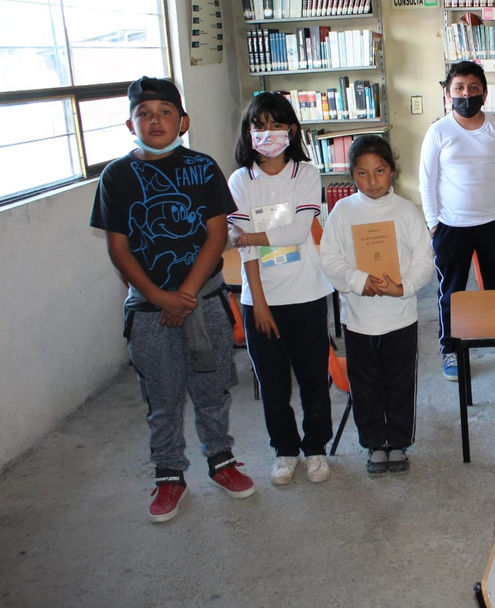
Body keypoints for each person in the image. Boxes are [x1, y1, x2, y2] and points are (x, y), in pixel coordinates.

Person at [89, 76, 255, 522]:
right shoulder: (116, 176)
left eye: (165, 112)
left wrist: (184, 295)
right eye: (144, 114)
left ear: (183, 121)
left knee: (212, 389)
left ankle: (221, 461)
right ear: (130, 125)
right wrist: (161, 298)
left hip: (204, 301)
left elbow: (217, 235)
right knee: (162, 397)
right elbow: (118, 249)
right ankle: (169, 476)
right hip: (149, 310)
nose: (155, 121)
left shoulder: (203, 167)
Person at [226, 92, 334, 486]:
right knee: (273, 384)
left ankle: (316, 448)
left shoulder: (305, 173)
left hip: (307, 293)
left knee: (313, 379)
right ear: (248, 132)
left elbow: (298, 231)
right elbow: (246, 252)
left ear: (291, 129)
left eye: (276, 125)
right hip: (261, 299)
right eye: (259, 126)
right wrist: (259, 303)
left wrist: (248, 235)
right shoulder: (240, 180)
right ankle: (285, 450)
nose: (268, 133)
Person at [321, 135, 434, 475]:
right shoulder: (343, 211)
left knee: (400, 385)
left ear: (392, 171)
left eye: (379, 171)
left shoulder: (406, 211)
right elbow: (329, 259)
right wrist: (358, 281)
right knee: (365, 386)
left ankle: (398, 443)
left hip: (400, 318)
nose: (372, 181)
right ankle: (374, 445)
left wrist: (404, 287)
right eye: (362, 173)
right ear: (352, 175)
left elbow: (424, 259)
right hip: (358, 320)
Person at [419, 61, 495, 381]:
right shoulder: (438, 131)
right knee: (452, 292)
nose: (466, 94)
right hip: (451, 226)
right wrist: (433, 223)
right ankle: (450, 348)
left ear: (485, 94)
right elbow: (427, 181)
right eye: (459, 88)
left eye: (473, 88)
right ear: (448, 94)